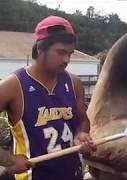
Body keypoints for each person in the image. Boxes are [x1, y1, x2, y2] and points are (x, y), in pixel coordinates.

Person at [0, 16, 95, 179]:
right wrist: (9, 160)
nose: (67, 60)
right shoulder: (13, 86)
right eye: (60, 52)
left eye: (70, 54)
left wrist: (81, 134)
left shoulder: (74, 83)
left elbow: (82, 121)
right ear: (40, 49)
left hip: (73, 174)